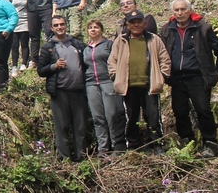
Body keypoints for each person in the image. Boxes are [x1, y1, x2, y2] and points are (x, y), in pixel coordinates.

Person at [160, 0, 218, 158]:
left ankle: (210, 143)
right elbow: (160, 51)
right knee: (180, 110)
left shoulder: (202, 28)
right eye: (176, 10)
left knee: (203, 110)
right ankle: (187, 142)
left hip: (198, 76)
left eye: (183, 9)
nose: (179, 13)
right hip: (177, 78)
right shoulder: (167, 29)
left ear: (190, 10)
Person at [108, 9, 171, 153]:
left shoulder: (154, 39)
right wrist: (115, 76)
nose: (136, 25)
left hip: (149, 85)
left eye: (139, 22)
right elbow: (112, 61)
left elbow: (164, 59)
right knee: (131, 116)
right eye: (132, 22)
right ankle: (134, 145)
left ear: (144, 23)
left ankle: (155, 144)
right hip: (128, 86)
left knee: (153, 116)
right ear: (127, 25)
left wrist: (162, 76)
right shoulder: (121, 40)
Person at [37, 15, 87, 162]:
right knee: (62, 127)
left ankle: (82, 158)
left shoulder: (78, 45)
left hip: (78, 91)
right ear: (52, 28)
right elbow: (41, 70)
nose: (60, 27)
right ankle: (65, 159)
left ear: (66, 25)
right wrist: (54, 66)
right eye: (56, 25)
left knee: (80, 127)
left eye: (62, 24)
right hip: (60, 92)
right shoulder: (48, 47)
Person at [84, 19, 125, 155]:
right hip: (91, 84)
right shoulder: (86, 49)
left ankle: (117, 145)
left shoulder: (109, 45)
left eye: (96, 27)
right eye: (90, 28)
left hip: (108, 81)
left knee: (112, 115)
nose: (93, 30)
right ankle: (103, 148)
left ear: (101, 30)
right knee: (98, 117)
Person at [22, 0, 55, 69]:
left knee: (49, 32)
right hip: (32, 8)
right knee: (34, 35)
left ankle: (52, 55)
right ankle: (34, 60)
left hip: (46, 6)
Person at [9, 0, 29, 77]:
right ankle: (14, 66)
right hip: (14, 24)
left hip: (25, 21)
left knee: (24, 44)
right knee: (14, 46)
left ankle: (24, 63)